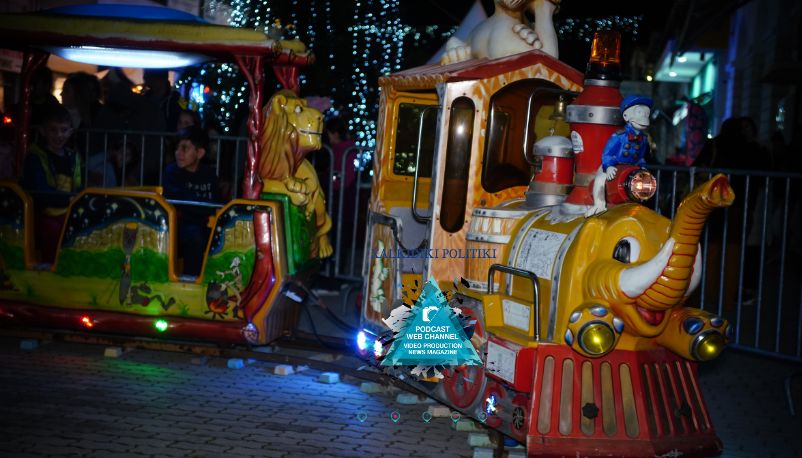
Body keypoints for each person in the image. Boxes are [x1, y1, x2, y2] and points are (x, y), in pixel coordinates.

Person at [21, 104, 82, 263]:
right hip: (43, 213)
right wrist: (69, 199)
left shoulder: (73, 157)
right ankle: (49, 267)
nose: (58, 135)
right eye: (53, 130)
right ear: (43, 131)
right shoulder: (35, 157)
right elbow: (40, 192)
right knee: (52, 231)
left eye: (63, 130)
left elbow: (78, 186)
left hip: (68, 212)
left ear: (70, 132)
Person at [163, 127, 219, 276]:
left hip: (205, 224)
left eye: (185, 148)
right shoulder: (172, 172)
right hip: (177, 226)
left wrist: (198, 207)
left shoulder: (209, 174)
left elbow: (214, 203)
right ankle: (191, 279)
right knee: (193, 235)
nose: (178, 152)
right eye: (177, 148)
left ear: (199, 153)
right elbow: (180, 203)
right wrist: (200, 208)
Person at [586, 95, 652, 217]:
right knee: (600, 178)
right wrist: (609, 166)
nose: (644, 117)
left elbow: (641, 156)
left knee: (641, 184)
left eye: (646, 114)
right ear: (626, 116)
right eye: (639, 112)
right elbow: (607, 153)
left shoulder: (643, 138)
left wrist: (642, 166)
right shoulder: (619, 135)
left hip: (631, 167)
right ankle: (599, 204)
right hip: (615, 164)